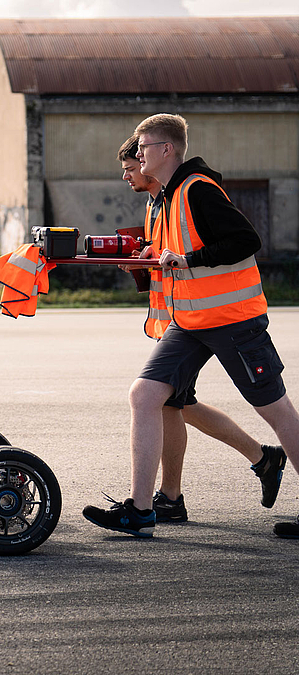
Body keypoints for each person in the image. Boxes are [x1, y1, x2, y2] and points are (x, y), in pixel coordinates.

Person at [84, 114, 298, 538]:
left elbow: (246, 241)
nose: (137, 152)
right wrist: (147, 260)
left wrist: (190, 260)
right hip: (189, 321)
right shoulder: (164, 198)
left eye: (143, 146)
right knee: (145, 394)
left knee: (276, 412)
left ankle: (253, 465)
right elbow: (170, 256)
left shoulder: (197, 189)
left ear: (167, 150)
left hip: (233, 320)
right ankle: (141, 509)